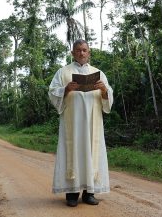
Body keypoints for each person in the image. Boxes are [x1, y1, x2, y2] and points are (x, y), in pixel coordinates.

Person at [48, 39, 113, 207]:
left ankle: (89, 193)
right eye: (78, 50)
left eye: (84, 50)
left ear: (89, 52)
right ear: (72, 53)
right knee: (73, 152)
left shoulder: (98, 73)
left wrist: (104, 90)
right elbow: (53, 92)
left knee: (92, 153)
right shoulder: (63, 73)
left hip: (93, 123)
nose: (81, 53)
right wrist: (66, 89)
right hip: (73, 124)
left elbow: (108, 97)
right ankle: (72, 194)